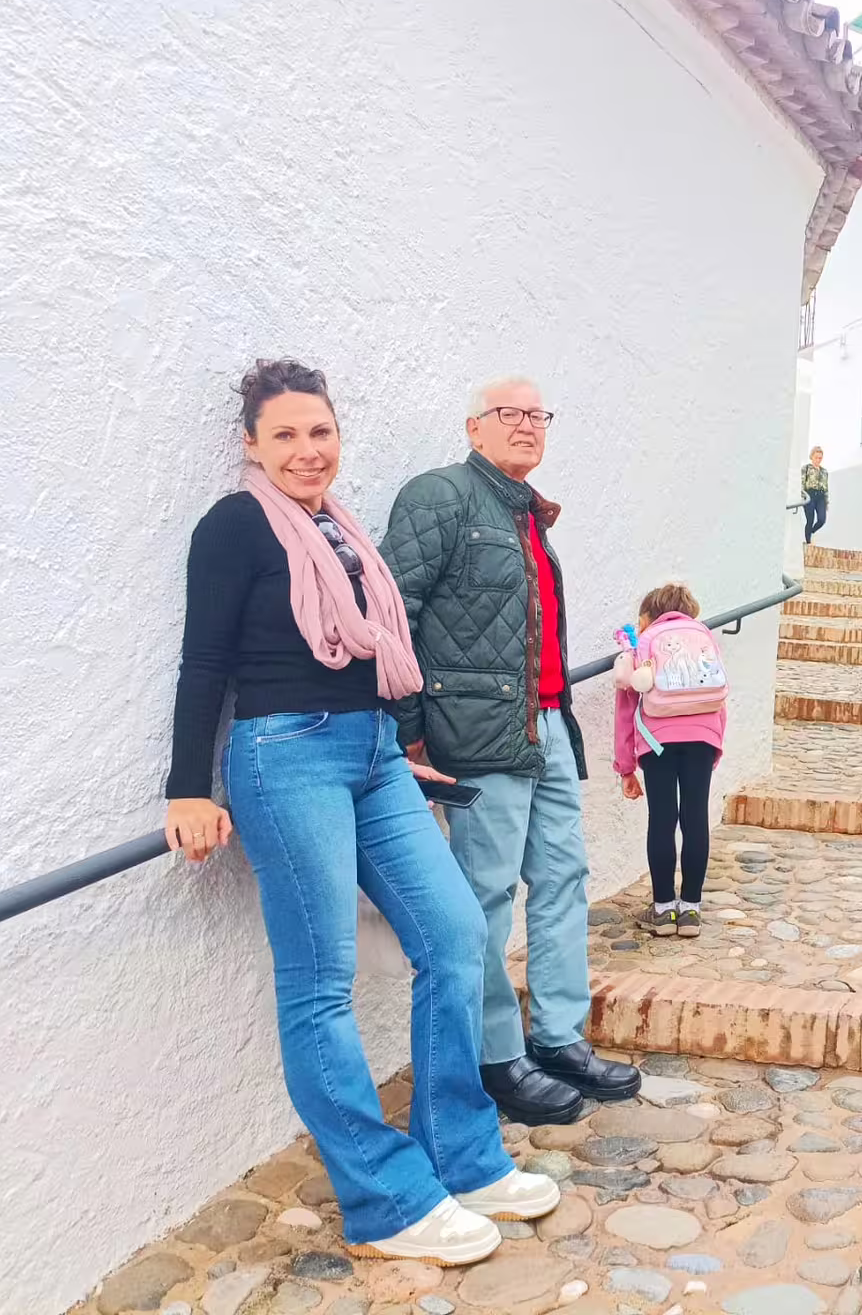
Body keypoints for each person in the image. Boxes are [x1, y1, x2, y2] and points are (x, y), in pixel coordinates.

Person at [165, 360, 556, 1267]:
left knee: (458, 937)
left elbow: (374, 647)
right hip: (285, 756)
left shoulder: (336, 525)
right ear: (253, 447)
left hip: (376, 752)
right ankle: (386, 1199)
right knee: (319, 984)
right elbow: (203, 663)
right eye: (287, 436)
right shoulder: (234, 525)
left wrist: (402, 741)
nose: (308, 451)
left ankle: (461, 1155)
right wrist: (188, 786)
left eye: (321, 433)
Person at [381, 377, 640, 1127]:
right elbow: (394, 612)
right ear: (475, 427)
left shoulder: (527, 514)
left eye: (538, 415)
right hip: (481, 734)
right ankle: (498, 1057)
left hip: (551, 723)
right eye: (510, 414)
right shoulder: (442, 495)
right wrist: (407, 730)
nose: (527, 425)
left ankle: (558, 1038)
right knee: (486, 897)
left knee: (564, 879)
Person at [614, 583, 728, 937]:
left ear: (648, 615)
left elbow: (626, 706)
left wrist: (626, 766)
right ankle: (691, 910)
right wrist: (715, 744)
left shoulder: (645, 641)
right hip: (702, 737)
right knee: (695, 817)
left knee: (662, 819)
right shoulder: (702, 635)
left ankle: (664, 909)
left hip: (656, 741)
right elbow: (719, 693)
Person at [801, 447, 829, 545]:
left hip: (820, 497)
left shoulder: (824, 471)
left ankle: (811, 532)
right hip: (809, 495)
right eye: (816, 457)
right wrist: (803, 497)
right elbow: (802, 483)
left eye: (820, 458)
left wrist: (827, 502)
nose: (818, 460)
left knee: (822, 519)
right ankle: (808, 542)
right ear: (812, 457)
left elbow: (826, 488)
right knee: (810, 519)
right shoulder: (806, 468)